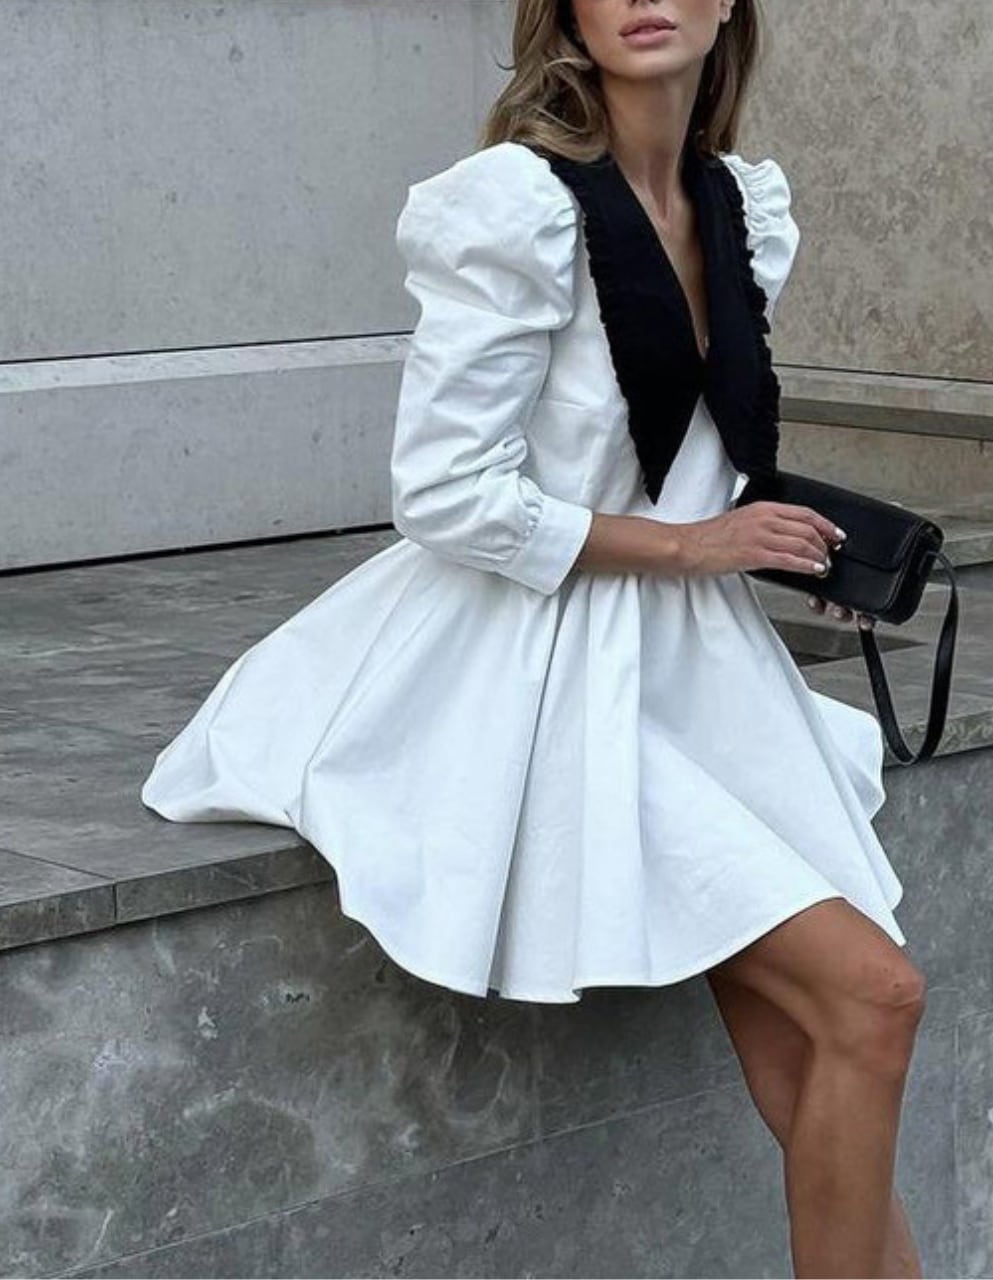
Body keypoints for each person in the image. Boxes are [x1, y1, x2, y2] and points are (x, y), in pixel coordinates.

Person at [140, 0, 928, 1273]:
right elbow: (445, 492)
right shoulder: (515, 207)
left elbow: (685, 457)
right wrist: (692, 546)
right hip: (538, 666)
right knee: (874, 992)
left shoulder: (739, 206)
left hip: (697, 670)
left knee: (819, 1059)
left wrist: (780, 540)